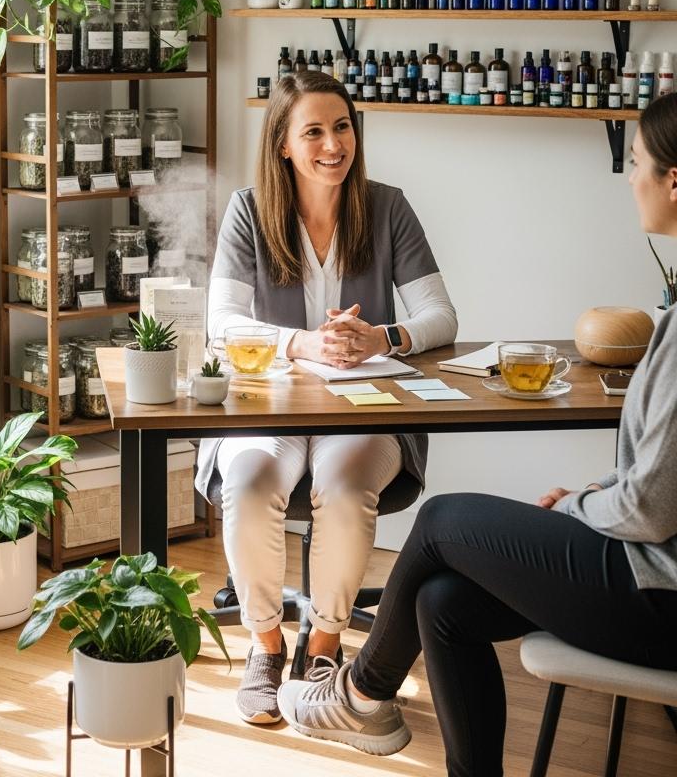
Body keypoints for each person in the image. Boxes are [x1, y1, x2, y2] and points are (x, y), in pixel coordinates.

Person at [277, 93, 677, 774]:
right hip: (652, 570)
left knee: (440, 521)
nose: (630, 175)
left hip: (659, 596)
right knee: (444, 602)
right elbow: (658, 476)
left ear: (675, 179)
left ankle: (359, 692)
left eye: (636, 161)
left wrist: (580, 509)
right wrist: (594, 491)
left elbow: (648, 508)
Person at [195, 70, 457, 724]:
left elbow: (441, 317)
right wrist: (300, 345)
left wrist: (382, 336)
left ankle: (323, 646)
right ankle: (264, 646)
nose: (333, 144)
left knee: (343, 486)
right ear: (283, 142)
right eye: (313, 131)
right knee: (250, 482)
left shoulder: (388, 206)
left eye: (342, 127)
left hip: (363, 404)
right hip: (273, 401)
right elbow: (221, 325)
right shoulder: (249, 211)